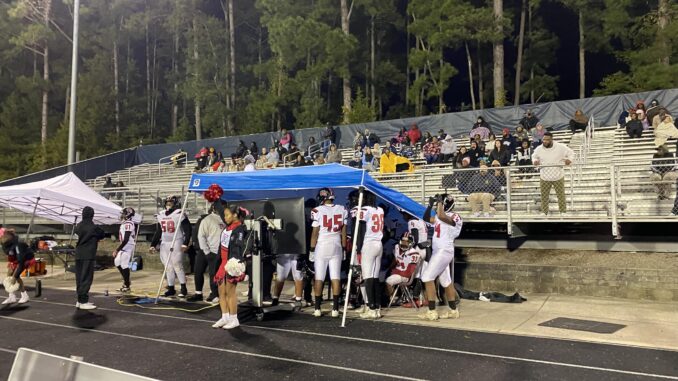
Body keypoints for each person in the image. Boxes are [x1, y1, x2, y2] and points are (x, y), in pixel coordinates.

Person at [419, 194, 462, 321]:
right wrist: (430, 205)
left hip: (443, 251)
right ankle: (453, 310)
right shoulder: (439, 215)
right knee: (446, 281)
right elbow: (426, 218)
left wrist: (439, 203)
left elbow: (443, 216)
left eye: (441, 203)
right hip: (440, 251)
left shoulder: (455, 216)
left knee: (427, 277)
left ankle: (432, 311)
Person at [310, 188, 347, 318]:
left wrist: (311, 249)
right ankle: (335, 309)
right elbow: (343, 232)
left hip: (322, 244)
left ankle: (317, 308)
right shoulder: (341, 209)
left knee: (319, 277)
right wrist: (343, 248)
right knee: (335, 277)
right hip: (336, 244)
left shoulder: (317, 211)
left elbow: (315, 233)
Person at [212, 205, 250, 330]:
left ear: (234, 215)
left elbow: (238, 248)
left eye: (227, 215)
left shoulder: (240, 229)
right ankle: (225, 316)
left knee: (230, 292)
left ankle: (234, 319)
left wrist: (235, 264)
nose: (225, 217)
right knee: (221, 291)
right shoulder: (227, 228)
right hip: (222, 262)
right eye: (224, 215)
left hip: (231, 263)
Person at [150, 196, 192, 297]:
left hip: (176, 240)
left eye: (171, 202)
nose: (168, 203)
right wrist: (153, 244)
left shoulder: (179, 213)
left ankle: (183, 288)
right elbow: (159, 231)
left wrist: (185, 242)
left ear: (176, 203)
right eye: (167, 201)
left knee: (177, 264)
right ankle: (171, 288)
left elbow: (188, 229)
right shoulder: (161, 214)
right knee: (168, 267)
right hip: (165, 242)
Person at [354, 192, 384, 319]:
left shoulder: (365, 210)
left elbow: (360, 229)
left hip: (369, 244)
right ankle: (377, 307)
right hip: (379, 244)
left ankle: (371, 308)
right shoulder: (380, 210)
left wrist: (358, 249)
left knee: (368, 278)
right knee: (375, 277)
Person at [189, 201, 226, 303]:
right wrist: (206, 251)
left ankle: (213, 293)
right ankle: (198, 293)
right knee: (198, 271)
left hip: (217, 251)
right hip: (205, 250)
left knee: (213, 274)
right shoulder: (208, 219)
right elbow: (201, 235)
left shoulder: (225, 219)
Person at [532, 132, 575, 215]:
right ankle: (544, 212)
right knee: (544, 196)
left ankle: (563, 212)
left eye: (547, 140)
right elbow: (533, 156)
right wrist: (535, 161)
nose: (545, 141)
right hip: (544, 176)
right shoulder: (539, 149)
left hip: (558, 175)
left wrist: (570, 160)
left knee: (561, 195)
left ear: (552, 139)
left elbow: (571, 153)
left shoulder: (560, 147)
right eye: (544, 139)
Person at [74, 207, 106, 310]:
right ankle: (84, 301)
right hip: (88, 255)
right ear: (92, 215)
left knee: (79, 278)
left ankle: (79, 300)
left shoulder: (78, 226)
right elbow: (102, 234)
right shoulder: (93, 227)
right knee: (86, 278)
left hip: (78, 254)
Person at [385, 233, 423, 304]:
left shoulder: (414, 253)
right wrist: (389, 269)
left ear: (411, 243)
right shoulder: (396, 247)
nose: (404, 243)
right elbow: (395, 260)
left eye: (407, 242)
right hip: (398, 271)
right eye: (403, 241)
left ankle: (387, 299)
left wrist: (395, 272)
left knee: (388, 281)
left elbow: (409, 272)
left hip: (405, 275)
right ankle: (385, 298)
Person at [1, 229, 34, 305]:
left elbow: (21, 264)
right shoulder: (5, 243)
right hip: (16, 259)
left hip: (26, 259)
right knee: (9, 275)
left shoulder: (18, 246)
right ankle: (12, 296)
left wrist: (14, 277)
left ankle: (24, 295)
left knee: (16, 276)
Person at [113, 207, 137, 293]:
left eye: (123, 213)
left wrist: (117, 249)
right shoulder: (125, 223)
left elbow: (126, 239)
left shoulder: (129, 223)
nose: (121, 215)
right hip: (124, 246)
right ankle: (127, 281)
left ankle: (127, 285)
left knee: (124, 264)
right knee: (117, 262)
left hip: (127, 246)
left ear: (128, 214)